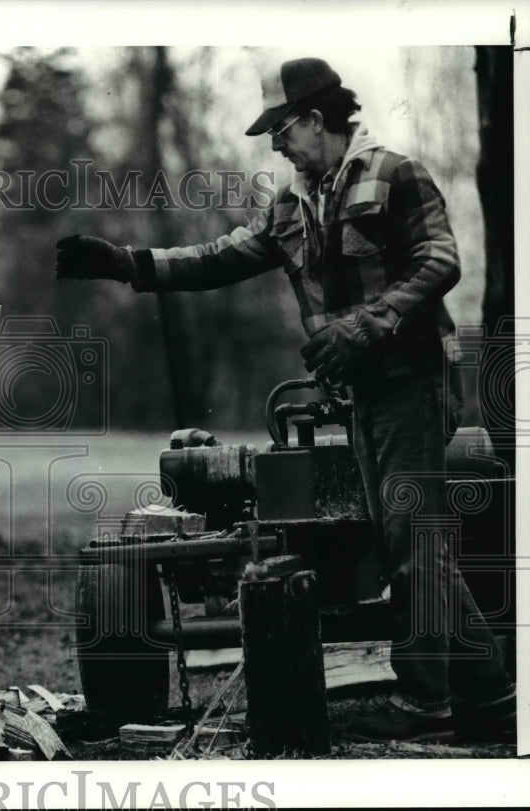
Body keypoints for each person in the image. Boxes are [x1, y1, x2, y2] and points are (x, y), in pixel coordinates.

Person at [55, 57, 515, 743]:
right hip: (362, 394)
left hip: (412, 381)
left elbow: (441, 259)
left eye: (279, 128)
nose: (274, 142)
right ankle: (492, 695)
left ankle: (430, 703)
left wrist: (365, 324)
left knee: (414, 541)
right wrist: (128, 264)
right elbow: (219, 256)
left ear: (314, 119)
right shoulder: (296, 201)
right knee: (411, 545)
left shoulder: (393, 173)